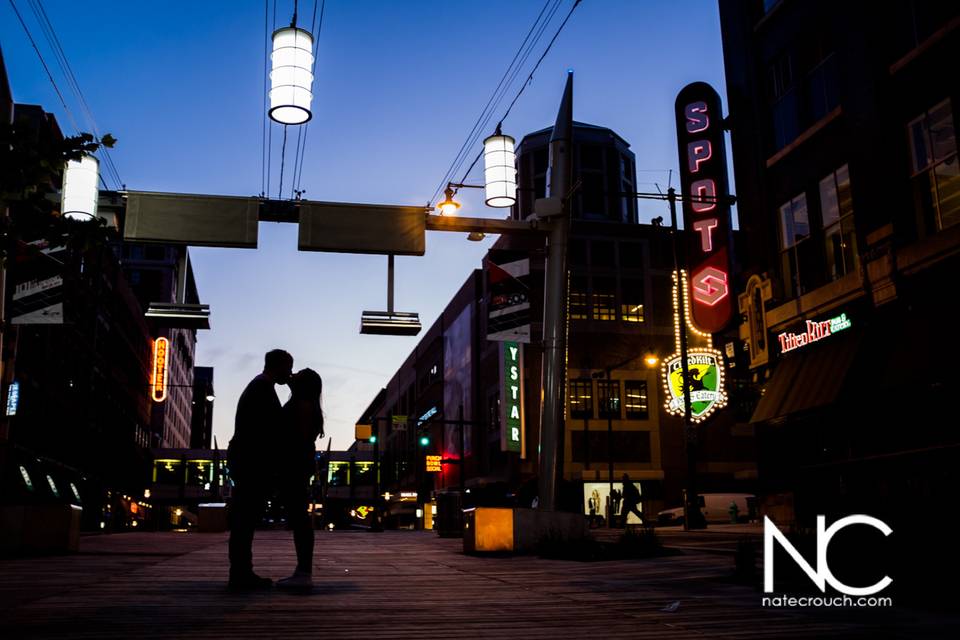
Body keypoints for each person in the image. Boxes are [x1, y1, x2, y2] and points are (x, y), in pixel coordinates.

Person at [227, 349, 294, 590]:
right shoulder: (263, 389)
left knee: (244, 519)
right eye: (289, 367)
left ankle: (242, 571)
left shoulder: (258, 386)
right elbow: (274, 429)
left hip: (245, 461)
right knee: (245, 519)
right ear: (278, 366)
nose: (291, 373)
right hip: (251, 463)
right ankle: (241, 573)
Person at [275, 368, 325, 590]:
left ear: (304, 385)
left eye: (298, 375)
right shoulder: (307, 405)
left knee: (299, 519)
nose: (292, 375)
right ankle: (303, 570)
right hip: (299, 465)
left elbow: (298, 439)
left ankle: (304, 572)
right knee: (299, 518)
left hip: (294, 465)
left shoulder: (302, 406)